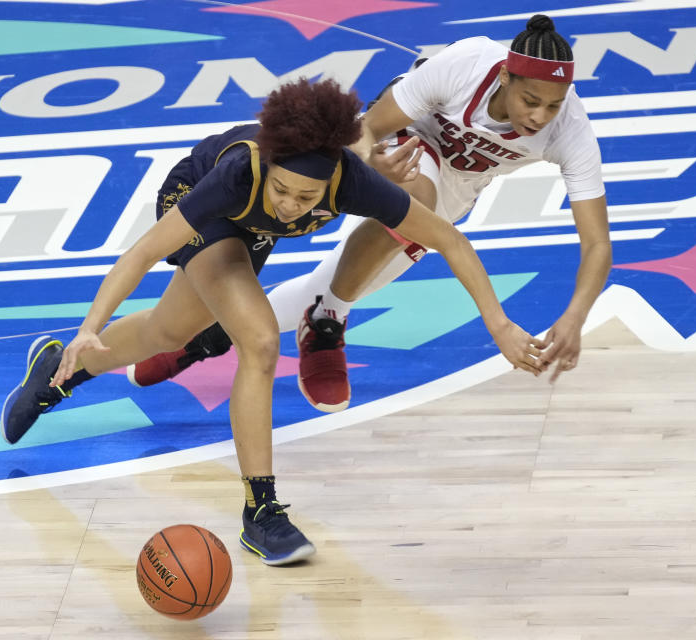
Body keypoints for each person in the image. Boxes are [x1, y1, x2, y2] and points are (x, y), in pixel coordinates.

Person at [0, 78, 544, 566]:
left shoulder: (353, 179)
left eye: (305, 197)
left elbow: (447, 237)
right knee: (259, 340)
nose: (289, 205)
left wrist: (497, 323)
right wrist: (90, 324)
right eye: (281, 190)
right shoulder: (240, 174)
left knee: (170, 333)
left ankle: (60, 371)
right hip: (202, 202)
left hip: (250, 226)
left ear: (334, 182)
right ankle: (261, 512)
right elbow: (141, 253)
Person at [128, 14, 611, 412]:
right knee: (414, 195)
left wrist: (574, 316)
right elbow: (369, 126)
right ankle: (326, 322)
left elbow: (596, 244)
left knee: (353, 279)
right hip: (399, 143)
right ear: (505, 76)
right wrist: (365, 162)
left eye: (553, 105)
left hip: (460, 187)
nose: (540, 116)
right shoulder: (466, 63)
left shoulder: (570, 130)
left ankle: (211, 335)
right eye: (531, 100)